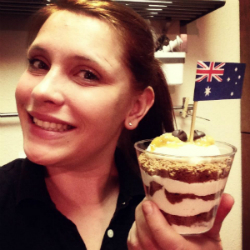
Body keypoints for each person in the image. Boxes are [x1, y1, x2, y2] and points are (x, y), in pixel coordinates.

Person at [0, 0, 234, 249]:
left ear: (136, 107)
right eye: (39, 63)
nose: (41, 91)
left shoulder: (172, 201)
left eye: (87, 74)